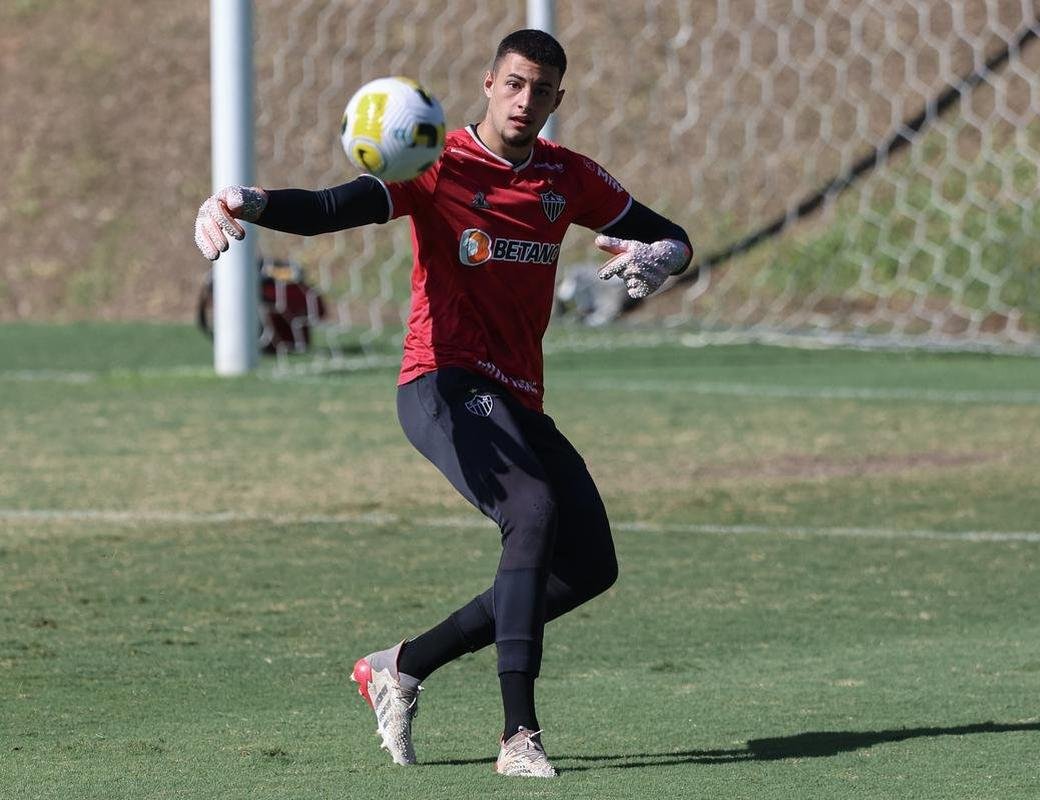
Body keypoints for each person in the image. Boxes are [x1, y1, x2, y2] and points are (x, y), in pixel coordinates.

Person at [194, 29, 691, 778]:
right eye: (515, 84)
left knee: (589, 565)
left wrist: (661, 256)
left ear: (559, 100)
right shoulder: (436, 164)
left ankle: (402, 665)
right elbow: (332, 206)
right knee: (531, 509)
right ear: (489, 84)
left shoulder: (569, 177)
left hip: (518, 396)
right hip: (442, 381)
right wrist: (245, 200)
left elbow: (672, 237)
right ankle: (518, 736)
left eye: (542, 89)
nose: (526, 100)